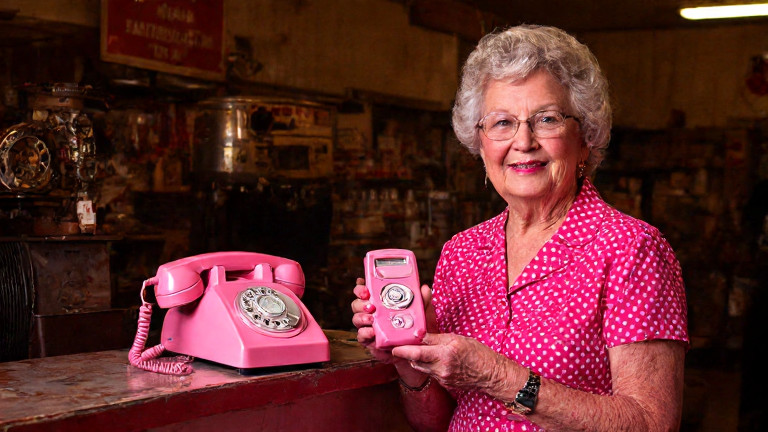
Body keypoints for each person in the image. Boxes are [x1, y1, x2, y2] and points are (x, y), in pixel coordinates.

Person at [351, 24, 688, 432]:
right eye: (502, 123)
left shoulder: (632, 249)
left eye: (546, 119)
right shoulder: (461, 252)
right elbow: (441, 420)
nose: (523, 141)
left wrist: (495, 375)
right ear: (480, 144)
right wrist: (411, 362)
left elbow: (651, 424)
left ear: (584, 139)